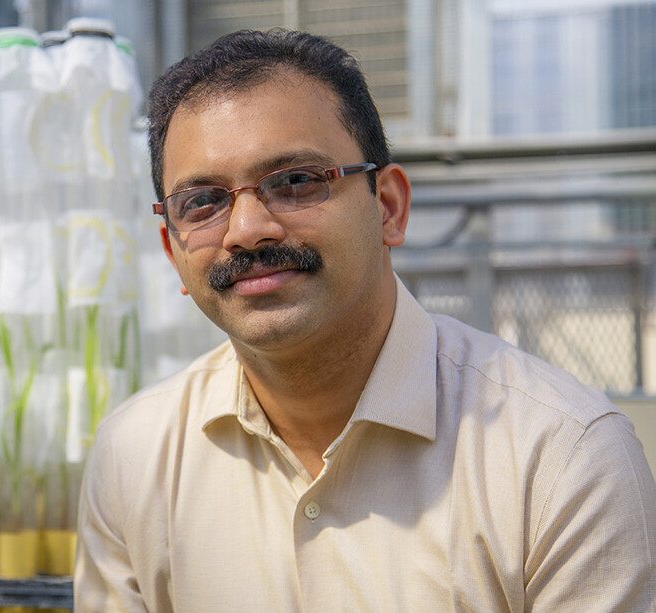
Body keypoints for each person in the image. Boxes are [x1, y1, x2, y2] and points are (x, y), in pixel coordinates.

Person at [73, 28, 656, 612]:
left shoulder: (559, 461)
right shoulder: (135, 458)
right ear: (173, 253)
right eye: (202, 201)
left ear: (389, 208)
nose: (247, 229)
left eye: (297, 181)